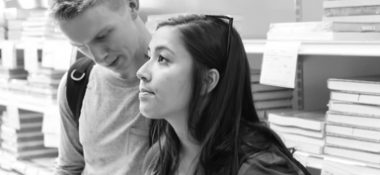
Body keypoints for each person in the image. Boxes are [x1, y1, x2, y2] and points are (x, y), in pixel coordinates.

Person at [136, 14, 310, 175]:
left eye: (162, 59)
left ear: (207, 80)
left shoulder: (256, 169)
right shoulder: (159, 157)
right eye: (148, 56)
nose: (141, 72)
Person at [49, 0, 151, 174]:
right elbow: (69, 167)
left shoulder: (184, 78)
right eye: (81, 46)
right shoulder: (76, 82)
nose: (98, 57)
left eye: (102, 36)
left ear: (132, 6)